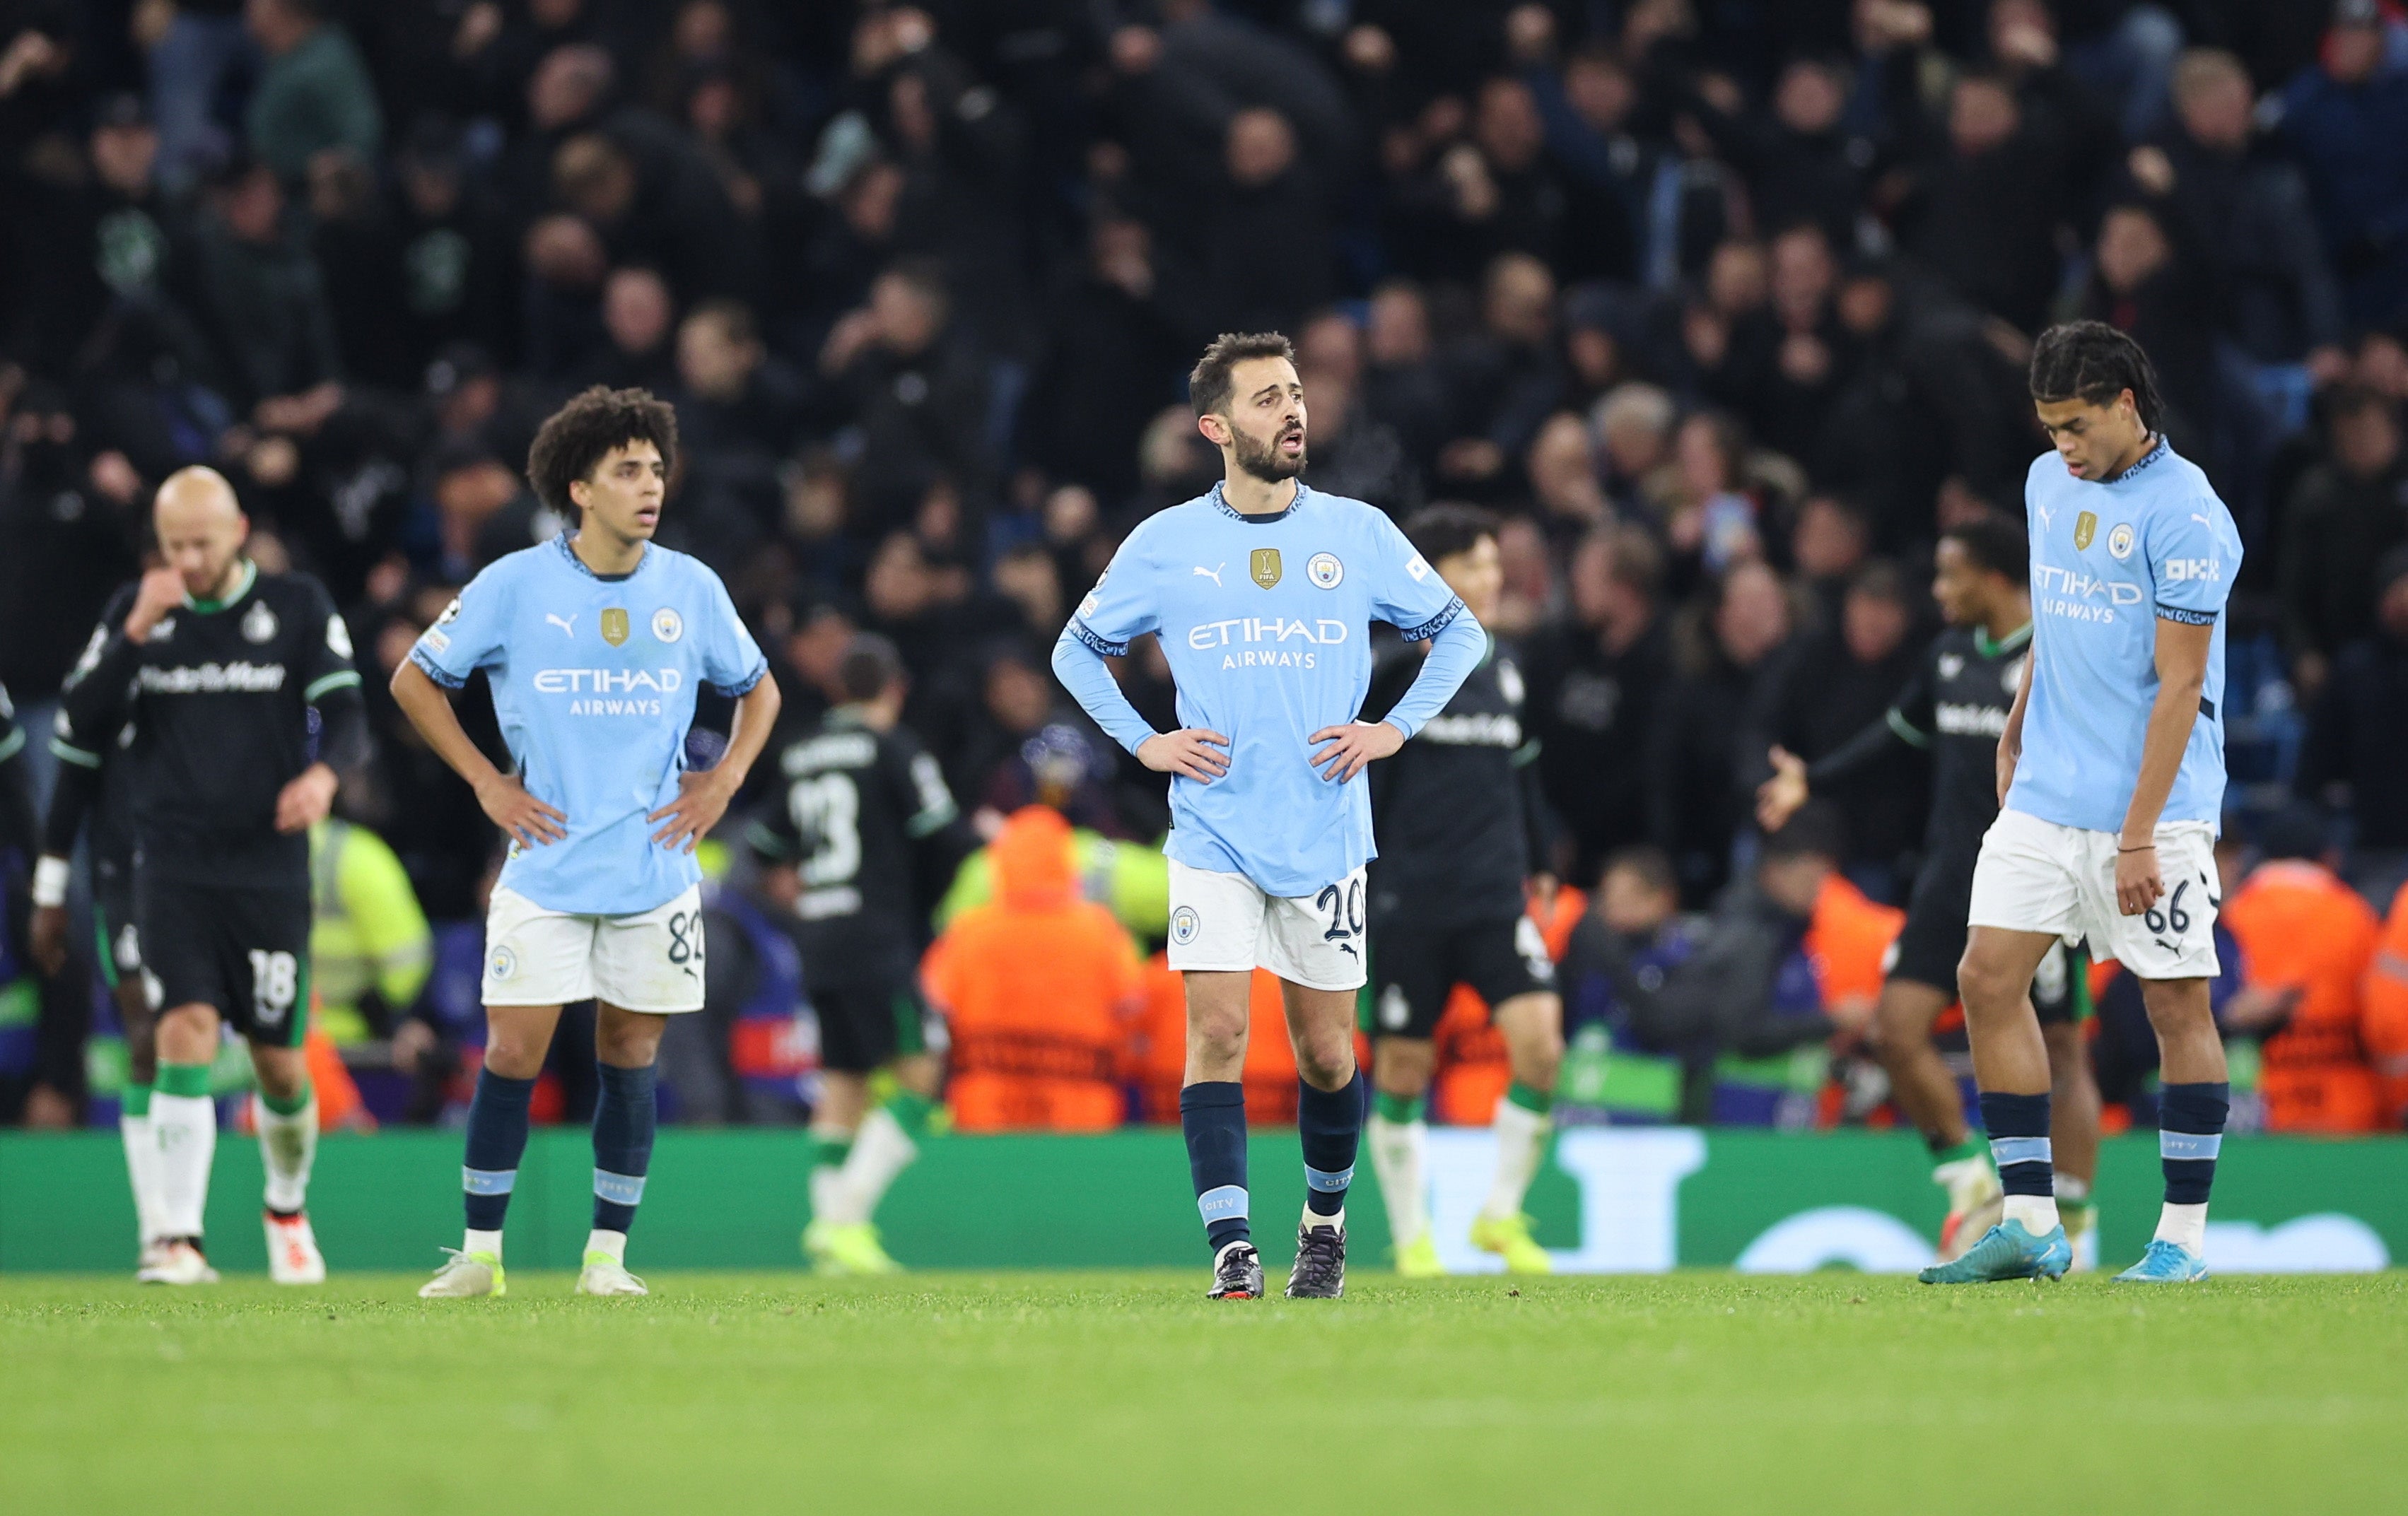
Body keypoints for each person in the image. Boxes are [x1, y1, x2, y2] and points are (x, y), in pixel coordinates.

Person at [1051, 331, 1484, 1300]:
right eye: (1265, 399)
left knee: (1327, 1051)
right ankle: (1231, 1246)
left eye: (1294, 394)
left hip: (1326, 829)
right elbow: (1075, 650)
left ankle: (1322, 1228)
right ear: (1214, 426)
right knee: (1216, 1034)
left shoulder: (1356, 532)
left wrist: (1395, 728)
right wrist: (1142, 741)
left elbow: (1459, 629)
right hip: (1211, 828)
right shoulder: (1164, 544)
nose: (1291, 412)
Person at [391, 387, 779, 1299]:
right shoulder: (514, 585)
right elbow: (416, 680)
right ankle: (480, 1256)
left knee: (629, 1055)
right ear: (580, 488)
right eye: (627, 471)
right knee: (513, 1050)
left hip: (654, 865)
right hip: (546, 864)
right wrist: (488, 780)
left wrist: (721, 782)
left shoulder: (691, 586)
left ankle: (606, 1259)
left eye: (654, 469)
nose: (649, 487)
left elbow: (757, 689)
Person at [1922, 322, 2243, 1286]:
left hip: (2154, 809)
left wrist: (2140, 836)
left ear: (2124, 407)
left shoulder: (2187, 517)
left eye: (2074, 425)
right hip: (2046, 789)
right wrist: (2018, 719)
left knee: (2171, 1001)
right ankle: (2028, 1220)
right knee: (1985, 978)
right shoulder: (2042, 483)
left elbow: (2180, 686)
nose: (2061, 445)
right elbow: (2058, 620)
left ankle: (2179, 1239)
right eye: (2048, 426)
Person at [54, 466, 370, 1286]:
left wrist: (325, 777)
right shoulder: (136, 612)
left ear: (236, 533)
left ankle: (287, 1206)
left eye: (201, 542)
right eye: (173, 546)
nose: (188, 560)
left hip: (267, 869)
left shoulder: (296, 605)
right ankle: (178, 1241)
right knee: (181, 1029)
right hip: (173, 864)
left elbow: (346, 712)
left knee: (279, 1064)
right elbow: (77, 725)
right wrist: (134, 635)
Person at [1758, 516, 2105, 1262]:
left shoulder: (2057, 657)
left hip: (2035, 880)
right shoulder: (1947, 657)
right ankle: (1968, 1183)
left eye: (1953, 576)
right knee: (1893, 1032)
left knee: (2062, 1045)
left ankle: (2073, 1214)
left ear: (1998, 578)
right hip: (1950, 879)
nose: (1940, 592)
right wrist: (1810, 780)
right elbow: (1893, 737)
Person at [1356, 504, 1563, 1278]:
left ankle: (1498, 1215)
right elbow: (1361, 781)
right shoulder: (1396, 672)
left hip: (1494, 899)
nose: (1491, 578)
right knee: (1405, 1072)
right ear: (1435, 577)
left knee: (1541, 1047)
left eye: (1492, 563)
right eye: (1474, 564)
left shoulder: (1505, 666)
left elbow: (1524, 772)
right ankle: (1413, 1237)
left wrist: (1541, 859)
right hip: (1412, 902)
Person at [746, 633, 975, 1275]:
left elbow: (765, 849)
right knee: (923, 1071)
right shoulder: (894, 748)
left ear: (839, 688)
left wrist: (808, 896)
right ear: (896, 689)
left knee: (844, 1079)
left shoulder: (802, 755)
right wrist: (918, 907)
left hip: (818, 937)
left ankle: (831, 1250)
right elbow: (947, 837)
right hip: (878, 936)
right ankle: (842, 1219)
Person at [28, 681, 160, 1269]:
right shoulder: (114, 648)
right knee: (148, 1040)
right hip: (123, 877)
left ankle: (276, 1211)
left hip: (201, 873)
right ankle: (164, 1228)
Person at [922, 805, 1143, 1133]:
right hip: (1081, 1118)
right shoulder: (1103, 933)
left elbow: (934, 1006)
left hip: (985, 1115)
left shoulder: (967, 932)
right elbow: (1133, 1007)